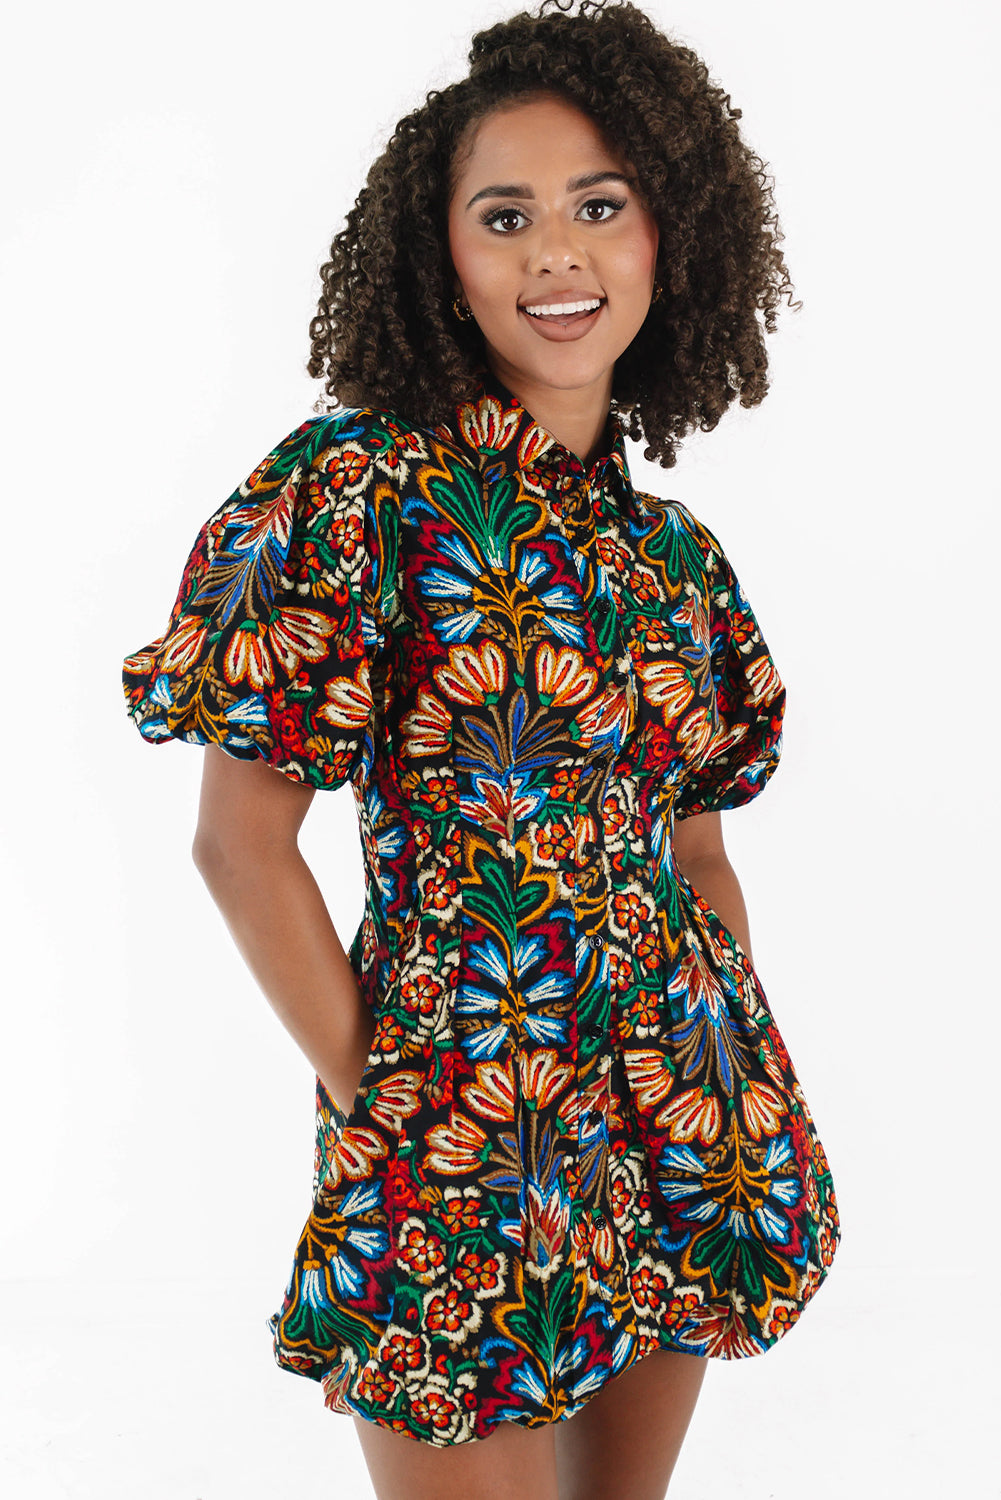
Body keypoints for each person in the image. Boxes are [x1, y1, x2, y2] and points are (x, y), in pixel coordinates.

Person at [122, 1, 839, 1495]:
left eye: (598, 206)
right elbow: (238, 843)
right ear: (438, 256)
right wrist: (387, 1103)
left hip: (674, 1106)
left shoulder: (674, 559)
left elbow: (697, 852)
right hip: (455, 1119)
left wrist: (722, 1078)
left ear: (667, 236)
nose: (554, 254)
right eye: (502, 216)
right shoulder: (358, 488)